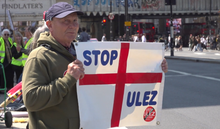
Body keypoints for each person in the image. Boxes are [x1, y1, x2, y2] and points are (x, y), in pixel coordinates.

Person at [22, 2, 168, 129]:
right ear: (50, 25)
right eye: (65, 21)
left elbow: (108, 91)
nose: (72, 26)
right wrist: (68, 79)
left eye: (75, 21)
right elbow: (31, 100)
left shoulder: (82, 54)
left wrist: (154, 70)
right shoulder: (39, 56)